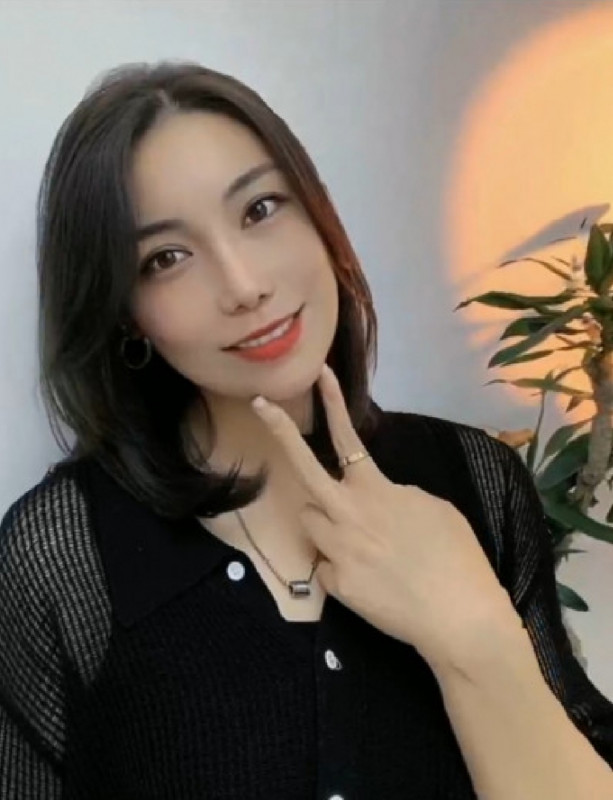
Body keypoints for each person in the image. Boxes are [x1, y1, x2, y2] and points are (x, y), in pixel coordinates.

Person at [0, 60, 612, 800]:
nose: (244, 285)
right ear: (126, 313)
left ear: (319, 215)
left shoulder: (475, 481)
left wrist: (472, 632)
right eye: (166, 258)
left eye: (260, 209)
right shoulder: (64, 560)